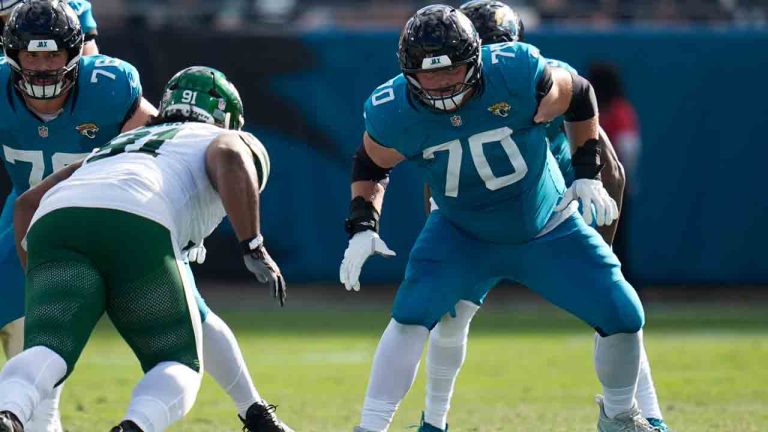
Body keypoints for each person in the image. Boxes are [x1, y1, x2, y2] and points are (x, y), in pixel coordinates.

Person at [340, 5, 654, 432]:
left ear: (478, 57)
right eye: (429, 74)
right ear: (407, 71)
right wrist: (362, 224)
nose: (441, 83)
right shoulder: (392, 107)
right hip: (460, 230)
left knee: (622, 312)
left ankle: (621, 417)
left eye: (452, 70)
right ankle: (374, 426)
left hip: (545, 223)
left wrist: (586, 175)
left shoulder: (519, 71)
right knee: (411, 317)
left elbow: (580, 95)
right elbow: (371, 163)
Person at [0, 66, 292, 432]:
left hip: (57, 218)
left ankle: (9, 413)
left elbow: (27, 203)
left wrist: (42, 277)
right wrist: (253, 243)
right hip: (138, 217)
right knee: (178, 361)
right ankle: (134, 427)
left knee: (48, 349)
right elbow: (230, 155)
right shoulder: (218, 136)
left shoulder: (118, 144)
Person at [0, 1, 157, 430]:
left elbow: (154, 146)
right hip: (24, 211)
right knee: (22, 324)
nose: (44, 68)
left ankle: (252, 406)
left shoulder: (108, 85)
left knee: (186, 319)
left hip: (96, 212)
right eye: (32, 54)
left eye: (54, 55)